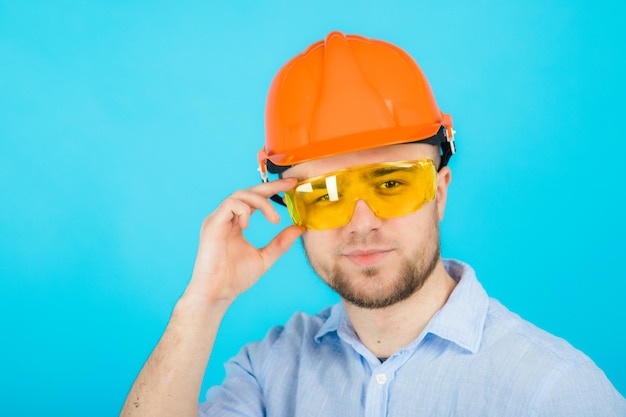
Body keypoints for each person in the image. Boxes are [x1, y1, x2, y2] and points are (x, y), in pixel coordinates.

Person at [120, 31, 625, 417]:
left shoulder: (553, 389)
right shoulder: (270, 371)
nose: (362, 223)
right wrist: (204, 301)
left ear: (439, 193)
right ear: (293, 208)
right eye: (325, 194)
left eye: (390, 184)